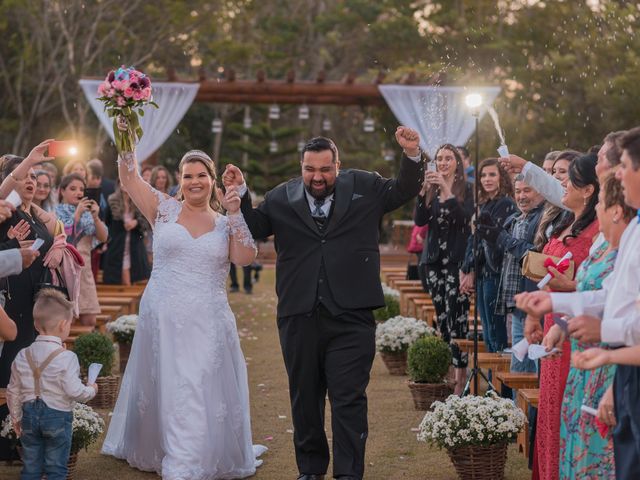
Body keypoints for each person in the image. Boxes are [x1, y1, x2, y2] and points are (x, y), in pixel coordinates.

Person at [224, 127, 423, 480]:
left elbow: (403, 190)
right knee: (305, 399)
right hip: (298, 315)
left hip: (352, 315)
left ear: (337, 165)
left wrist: (411, 155)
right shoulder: (281, 197)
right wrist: (240, 193)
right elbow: (256, 226)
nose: (317, 177)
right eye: (310, 169)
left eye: (325, 170)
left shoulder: (364, 186)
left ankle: (348, 474)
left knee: (349, 399)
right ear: (302, 167)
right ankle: (311, 471)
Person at [103, 120, 266, 479]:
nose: (194, 182)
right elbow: (130, 179)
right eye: (188, 175)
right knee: (167, 382)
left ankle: (185, 460)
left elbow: (244, 258)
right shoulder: (162, 209)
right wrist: (126, 137)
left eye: (202, 175)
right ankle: (168, 449)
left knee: (194, 383)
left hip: (207, 317)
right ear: (179, 179)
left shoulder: (226, 223)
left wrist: (236, 211)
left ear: (213, 180)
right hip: (161, 312)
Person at [516, 127, 640, 479]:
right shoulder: (628, 232)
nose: (618, 174)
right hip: (605, 357)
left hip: (617, 358)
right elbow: (608, 296)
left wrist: (607, 342)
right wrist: (554, 306)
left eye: (623, 166)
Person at [547, 172, 633, 479]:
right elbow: (596, 295)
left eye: (599, 207)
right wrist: (559, 316)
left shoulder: (629, 245)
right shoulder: (605, 241)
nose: (595, 213)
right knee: (579, 446)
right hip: (588, 362)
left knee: (603, 458)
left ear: (615, 211)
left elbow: (621, 310)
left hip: (611, 362)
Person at [520, 153, 601, 480]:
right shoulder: (565, 222)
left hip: (578, 330)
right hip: (552, 325)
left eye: (570, 178)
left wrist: (569, 285)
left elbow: (599, 285)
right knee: (550, 410)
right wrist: (534, 315)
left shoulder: (598, 230)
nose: (562, 183)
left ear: (589, 190)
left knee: (570, 416)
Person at [6, 288, 97, 480]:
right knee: (56, 468)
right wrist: (91, 389)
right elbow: (74, 391)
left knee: (31, 467)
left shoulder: (23, 354)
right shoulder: (67, 357)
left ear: (35, 324)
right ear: (64, 325)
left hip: (29, 417)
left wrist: (16, 417)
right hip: (58, 417)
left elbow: (13, 391)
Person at [415, 144, 473, 395]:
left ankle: (460, 382)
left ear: (457, 163)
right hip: (433, 262)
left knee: (457, 318)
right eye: (439, 158)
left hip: (456, 262)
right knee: (441, 319)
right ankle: (448, 376)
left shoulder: (467, 189)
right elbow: (419, 221)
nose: (443, 162)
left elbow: (463, 220)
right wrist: (423, 192)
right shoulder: (431, 188)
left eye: (448, 158)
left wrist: (447, 189)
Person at [487, 180, 545, 372]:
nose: (521, 196)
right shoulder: (513, 219)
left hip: (535, 302)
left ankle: (533, 404)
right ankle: (518, 404)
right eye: (518, 191)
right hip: (518, 304)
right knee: (519, 369)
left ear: (541, 191)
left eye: (527, 190)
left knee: (536, 370)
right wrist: (489, 239)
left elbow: (535, 256)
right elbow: (498, 261)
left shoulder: (543, 218)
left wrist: (503, 239)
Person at [461, 158, 516, 353]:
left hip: (496, 273)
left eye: (492, 174)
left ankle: (501, 383)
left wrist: (470, 270)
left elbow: (489, 240)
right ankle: (493, 380)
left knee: (496, 332)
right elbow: (473, 238)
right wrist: (466, 268)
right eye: (483, 175)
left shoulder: (505, 204)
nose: (487, 179)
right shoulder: (484, 204)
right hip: (483, 272)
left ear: (502, 178)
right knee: (487, 331)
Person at [56, 173, 108, 326]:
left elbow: (104, 237)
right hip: (63, 269)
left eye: (81, 189)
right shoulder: (55, 211)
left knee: (90, 319)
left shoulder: (88, 214)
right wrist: (76, 215)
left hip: (84, 269)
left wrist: (96, 217)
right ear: (62, 191)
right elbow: (64, 236)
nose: (78, 193)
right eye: (73, 189)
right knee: (65, 322)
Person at [103, 184, 150, 285]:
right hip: (117, 247)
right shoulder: (112, 201)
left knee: (136, 280)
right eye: (122, 180)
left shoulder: (139, 201)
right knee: (120, 281)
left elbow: (147, 223)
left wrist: (136, 222)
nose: (125, 184)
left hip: (135, 247)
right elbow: (106, 224)